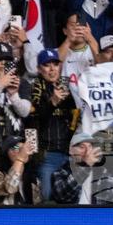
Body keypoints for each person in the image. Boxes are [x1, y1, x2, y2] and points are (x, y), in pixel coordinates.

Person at [29, 48, 74, 201]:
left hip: (67, 154)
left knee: (70, 199)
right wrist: (53, 101)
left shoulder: (66, 90)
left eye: (55, 64)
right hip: (47, 155)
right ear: (39, 68)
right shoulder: (33, 89)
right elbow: (33, 121)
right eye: (47, 65)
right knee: (46, 200)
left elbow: (75, 120)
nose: (52, 68)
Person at [50, 131, 113, 205]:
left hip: (97, 215)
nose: (87, 152)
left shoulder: (102, 173)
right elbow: (63, 196)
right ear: (71, 150)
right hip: (73, 216)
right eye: (82, 147)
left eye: (90, 147)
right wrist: (86, 166)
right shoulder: (60, 173)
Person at [0, 133, 38, 204]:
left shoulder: (33, 178)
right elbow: (9, 189)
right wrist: (20, 159)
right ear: (6, 152)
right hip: (4, 214)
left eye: (23, 148)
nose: (21, 151)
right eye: (16, 148)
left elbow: (38, 205)